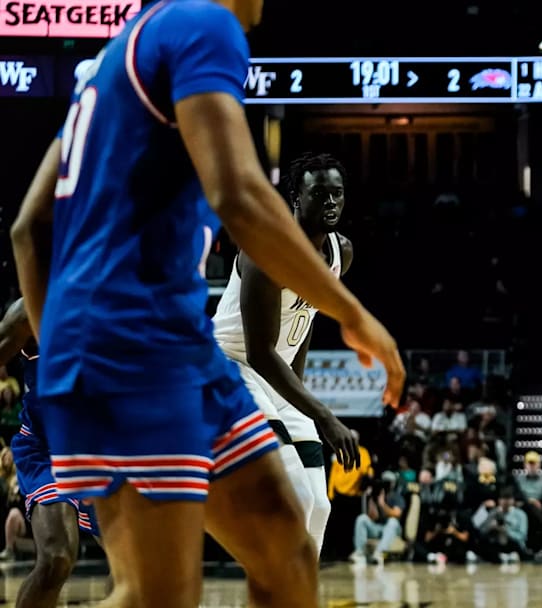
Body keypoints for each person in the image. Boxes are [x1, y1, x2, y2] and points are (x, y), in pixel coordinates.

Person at [8, 2, 405, 606]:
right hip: (138, 346)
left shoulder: (118, 54)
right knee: (159, 593)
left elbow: (28, 231)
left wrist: (64, 365)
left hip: (168, 350)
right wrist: (354, 314)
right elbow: (239, 195)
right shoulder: (204, 24)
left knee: (287, 550)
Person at [213, 152, 358, 556]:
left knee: (319, 507)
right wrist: (322, 414)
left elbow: (304, 321)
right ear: (296, 197)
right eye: (320, 194)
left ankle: (299, 588)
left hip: (275, 378)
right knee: (296, 496)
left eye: (337, 193)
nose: (331, 202)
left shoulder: (340, 253)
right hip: (230, 368)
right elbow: (259, 353)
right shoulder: (266, 252)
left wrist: (299, 398)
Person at [0, 298, 101, 607]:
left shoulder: (129, 302)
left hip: (105, 450)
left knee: (136, 567)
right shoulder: (33, 308)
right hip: (47, 451)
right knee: (57, 558)